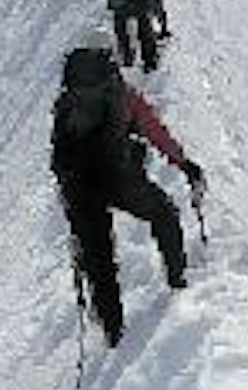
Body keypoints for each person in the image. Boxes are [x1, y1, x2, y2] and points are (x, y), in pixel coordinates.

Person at [51, 37, 206, 347]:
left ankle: (113, 332)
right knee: (164, 212)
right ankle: (177, 280)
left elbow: (59, 153)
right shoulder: (120, 93)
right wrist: (183, 163)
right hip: (117, 179)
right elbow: (154, 130)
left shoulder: (67, 100)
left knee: (98, 259)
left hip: (79, 189)